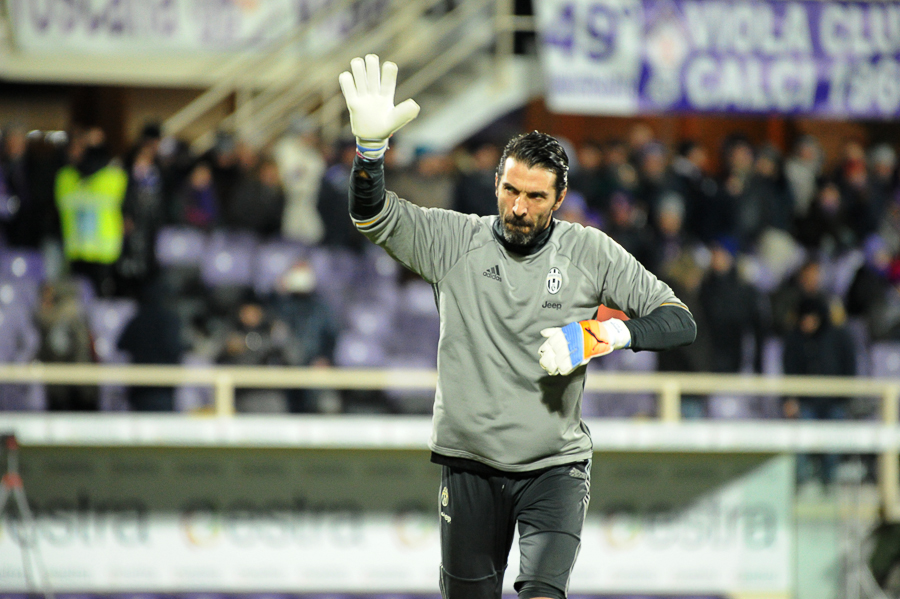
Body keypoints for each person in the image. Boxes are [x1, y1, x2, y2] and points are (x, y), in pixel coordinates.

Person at [339, 54, 697, 599]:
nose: (519, 208)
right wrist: (369, 154)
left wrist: (601, 335)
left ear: (559, 200)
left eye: (535, 197)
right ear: (496, 185)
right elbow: (372, 216)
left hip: (555, 469)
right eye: (510, 191)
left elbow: (678, 320)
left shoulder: (588, 251)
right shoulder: (454, 241)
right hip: (469, 468)